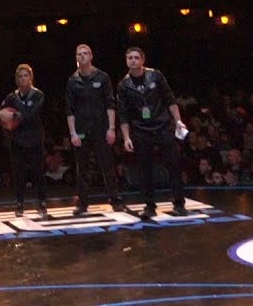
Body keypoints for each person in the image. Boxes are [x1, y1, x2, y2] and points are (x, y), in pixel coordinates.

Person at [117, 47, 188, 218]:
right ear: (126, 61)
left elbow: (170, 99)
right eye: (129, 58)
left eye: (136, 57)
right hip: (141, 130)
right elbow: (123, 114)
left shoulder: (156, 76)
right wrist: (126, 137)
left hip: (162, 125)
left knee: (174, 164)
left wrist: (178, 121)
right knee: (145, 169)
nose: (133, 60)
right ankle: (149, 205)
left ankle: (179, 203)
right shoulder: (124, 85)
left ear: (142, 60)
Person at [66, 44, 124, 215]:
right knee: (82, 168)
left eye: (85, 53)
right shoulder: (72, 81)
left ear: (91, 56)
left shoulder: (102, 77)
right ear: (76, 58)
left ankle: (115, 199)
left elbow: (110, 103)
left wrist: (111, 128)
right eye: (79, 54)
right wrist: (72, 133)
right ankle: (82, 202)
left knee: (107, 165)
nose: (82, 56)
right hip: (81, 129)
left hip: (101, 127)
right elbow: (69, 109)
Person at [0, 63, 48, 218]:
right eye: (20, 76)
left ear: (31, 78)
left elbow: (32, 114)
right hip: (17, 140)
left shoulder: (38, 95)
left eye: (26, 75)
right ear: (17, 79)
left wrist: (14, 115)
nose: (23, 79)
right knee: (19, 174)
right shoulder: (12, 97)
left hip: (35, 139)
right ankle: (19, 204)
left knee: (38, 172)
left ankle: (42, 202)